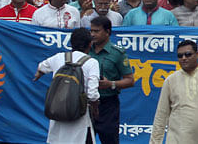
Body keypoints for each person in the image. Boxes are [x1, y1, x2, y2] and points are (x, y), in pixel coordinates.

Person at [150, 39, 198, 144]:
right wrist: (155, 142)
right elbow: (161, 114)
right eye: (180, 55)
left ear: (197, 55)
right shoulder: (170, 80)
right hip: (176, 139)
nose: (183, 58)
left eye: (188, 54)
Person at [33, 27, 99, 144]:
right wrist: (95, 108)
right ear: (90, 44)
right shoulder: (92, 62)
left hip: (57, 114)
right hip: (79, 118)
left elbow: (42, 66)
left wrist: (39, 73)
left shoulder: (59, 57)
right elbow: (92, 94)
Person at [89, 16, 134, 144]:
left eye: (96, 31)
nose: (92, 34)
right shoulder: (86, 50)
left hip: (108, 104)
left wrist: (111, 84)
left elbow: (130, 80)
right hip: (87, 104)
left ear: (108, 32)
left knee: (109, 140)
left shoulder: (117, 53)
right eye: (91, 31)